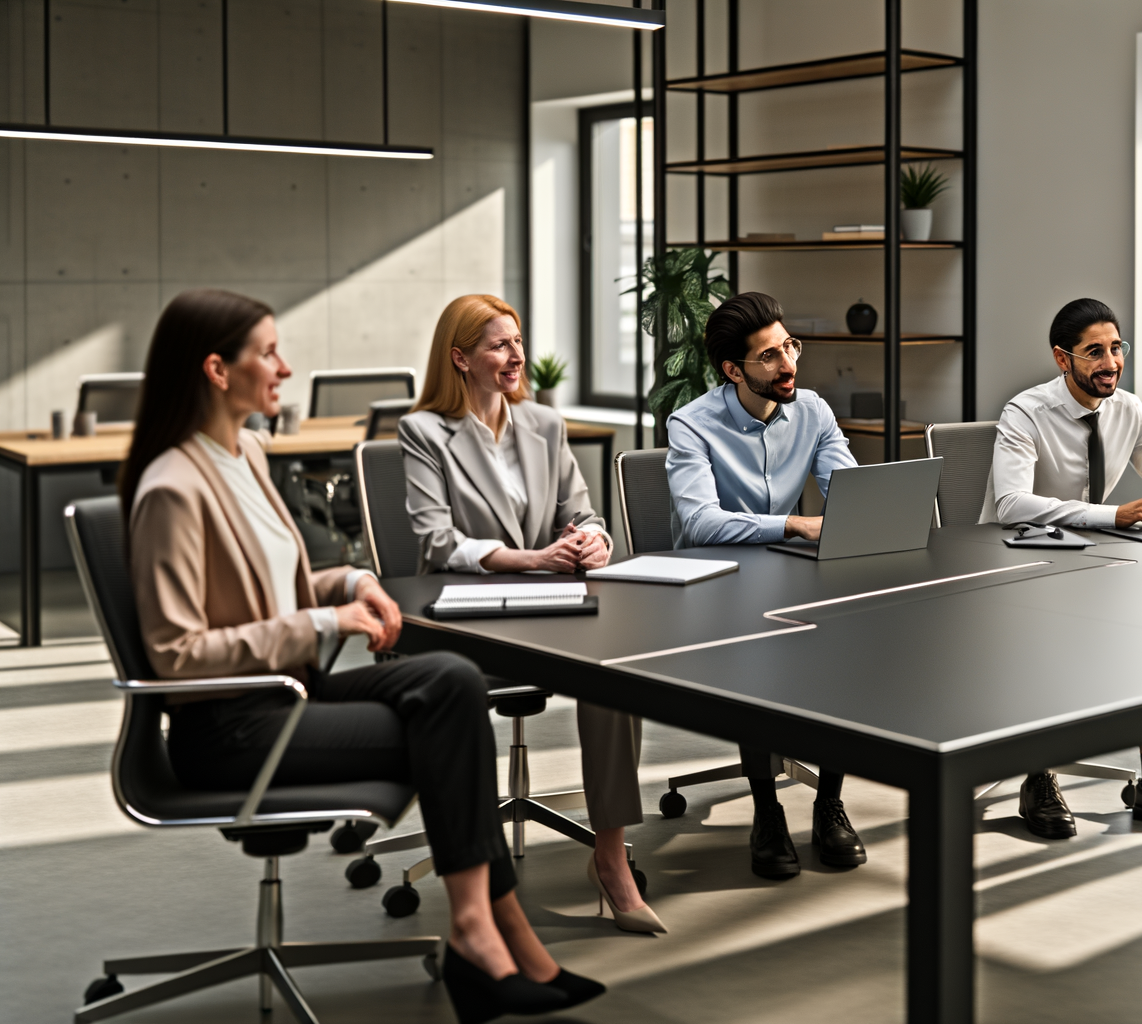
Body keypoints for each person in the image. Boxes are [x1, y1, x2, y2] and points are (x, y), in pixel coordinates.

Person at [123, 289, 602, 1023]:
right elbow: (175, 654)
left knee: (451, 680)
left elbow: (269, 586)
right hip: (228, 728)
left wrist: (350, 579)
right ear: (218, 370)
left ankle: (494, 931)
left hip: (286, 696)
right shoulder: (173, 486)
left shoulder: (244, 453)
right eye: (269, 352)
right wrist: (325, 619)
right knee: (449, 726)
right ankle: (490, 936)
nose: (285, 367)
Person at [398, 294, 663, 933]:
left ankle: (610, 856)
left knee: (612, 669)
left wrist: (593, 538)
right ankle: (478, 868)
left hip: (550, 600)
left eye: (518, 342)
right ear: (460, 358)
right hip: (468, 613)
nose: (516, 356)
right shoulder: (424, 432)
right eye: (498, 345)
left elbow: (583, 510)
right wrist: (530, 560)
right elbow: (437, 542)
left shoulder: (544, 424)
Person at [980, 298, 1142, 840]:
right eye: (1094, 352)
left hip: (1093, 558)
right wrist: (1112, 514)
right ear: (1062, 358)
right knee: (1046, 632)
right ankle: (1038, 776)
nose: (1110, 362)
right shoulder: (1025, 413)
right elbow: (1011, 506)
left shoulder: (1128, 410)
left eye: (1117, 349)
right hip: (1015, 561)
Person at [665, 291, 866, 880]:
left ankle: (830, 802)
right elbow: (700, 522)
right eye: (771, 356)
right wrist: (794, 522)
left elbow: (849, 493)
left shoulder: (813, 412)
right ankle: (767, 808)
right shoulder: (692, 425)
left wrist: (864, 511)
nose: (788, 366)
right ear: (733, 370)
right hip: (714, 581)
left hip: (786, 568)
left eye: (790, 348)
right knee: (756, 650)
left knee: (843, 636)